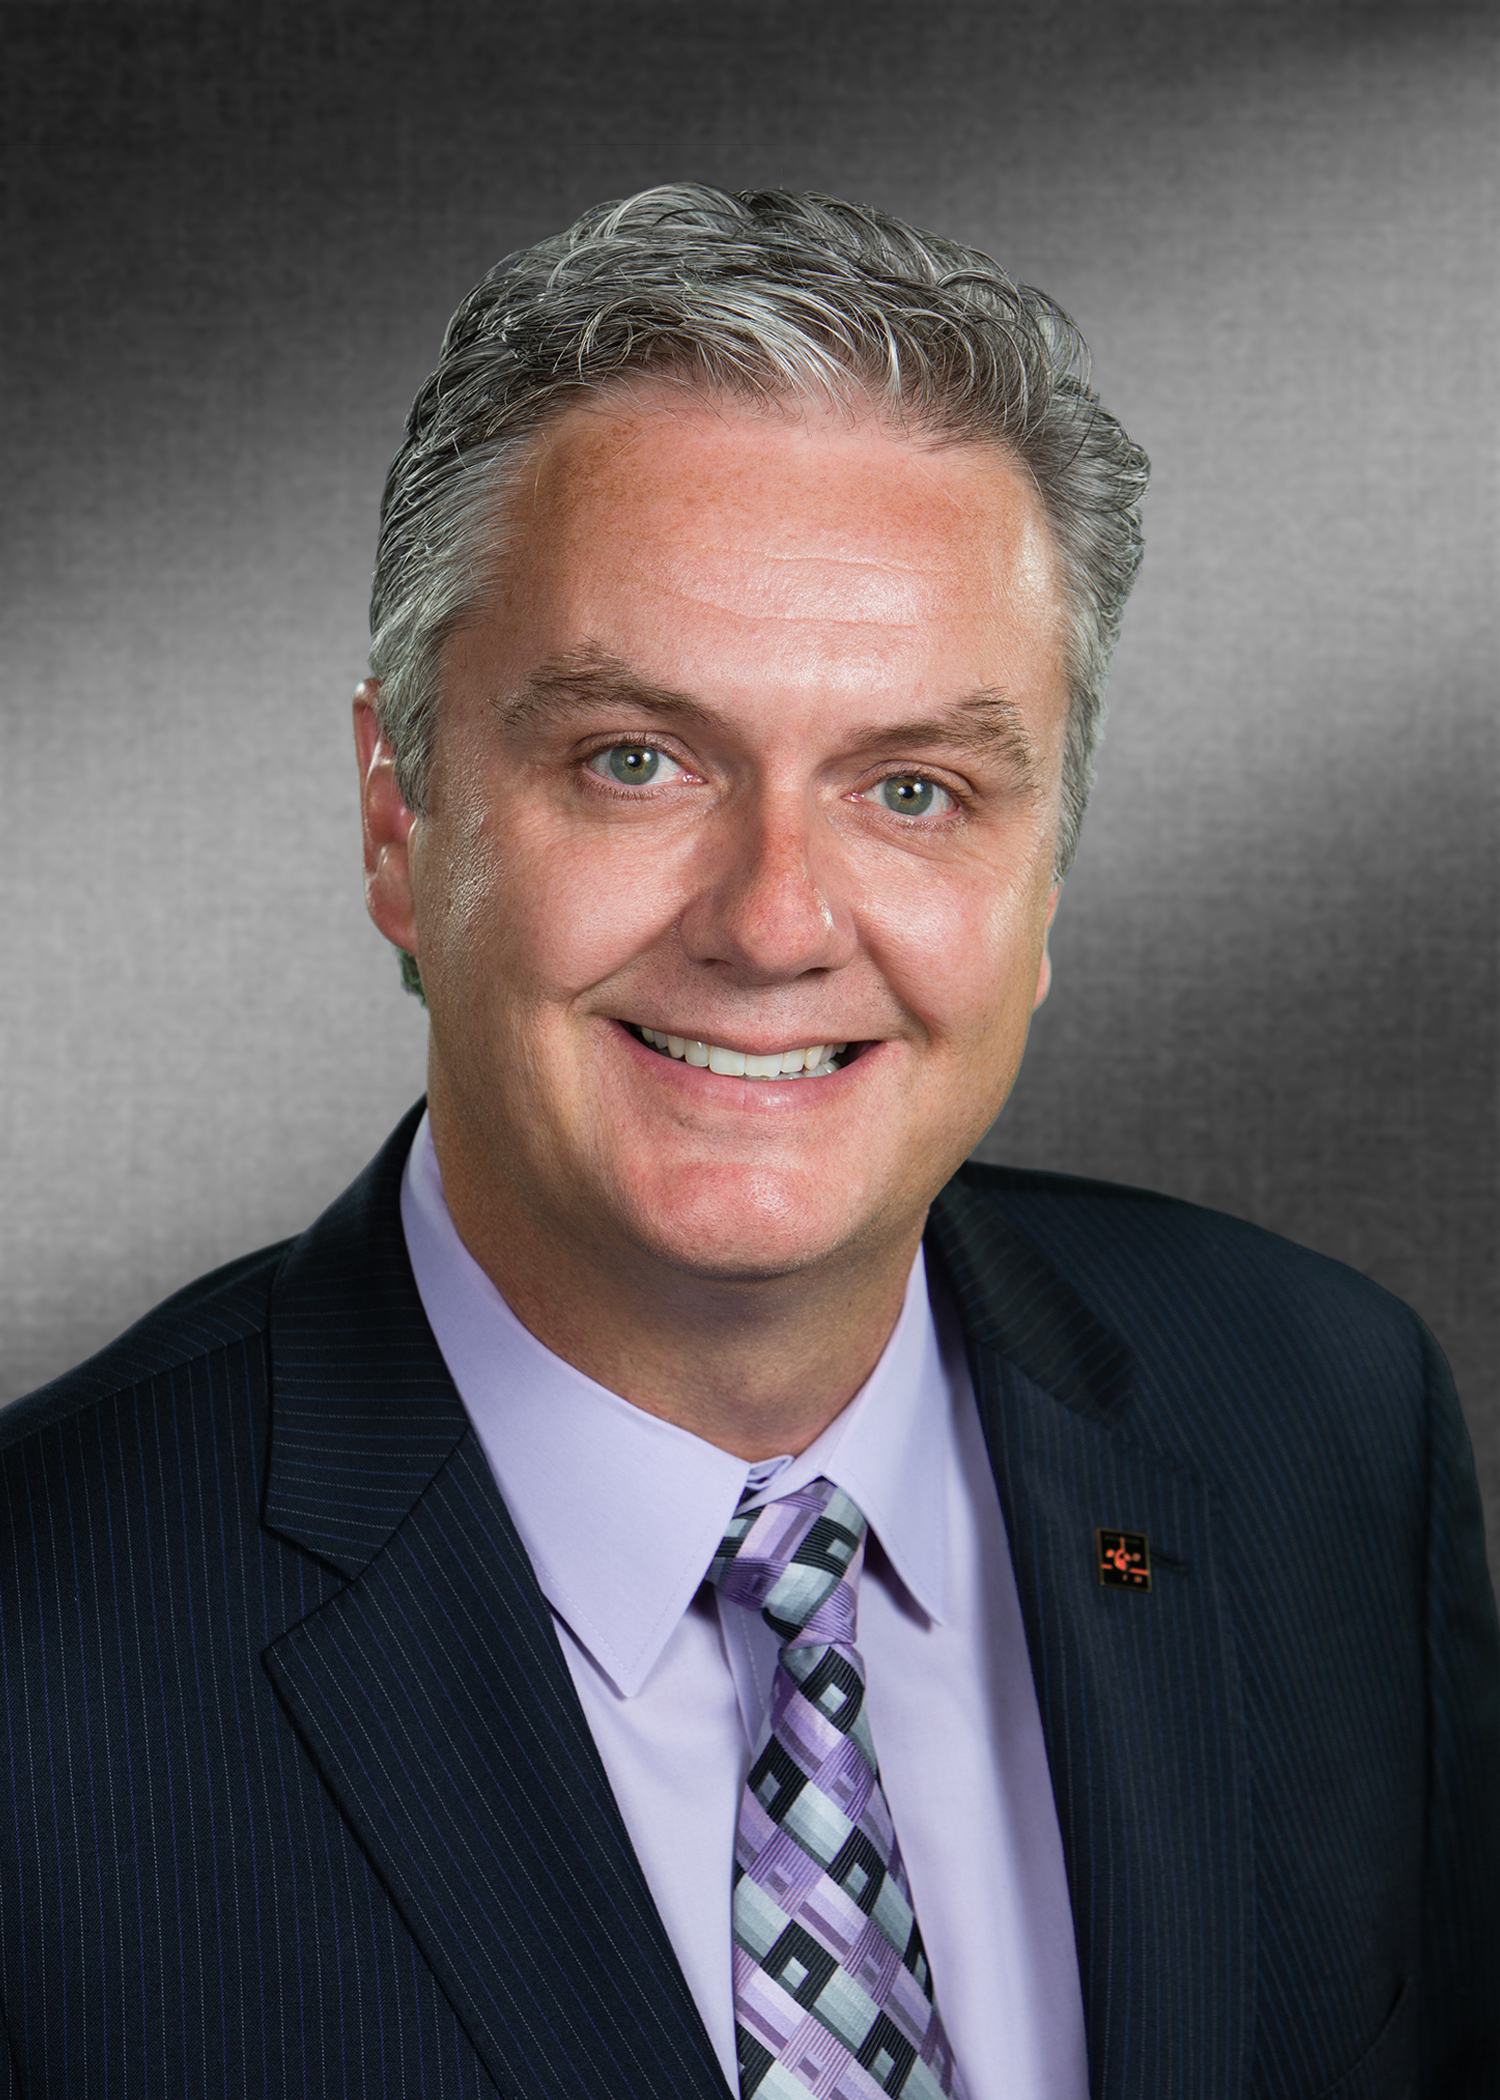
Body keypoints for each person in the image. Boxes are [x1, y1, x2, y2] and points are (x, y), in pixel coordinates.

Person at [1, 185, 1495, 2100]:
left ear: (1044, 882)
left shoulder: (1326, 1420)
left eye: (915, 788)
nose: (777, 921)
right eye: (635, 760)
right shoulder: (41, 1662)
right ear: (400, 820)